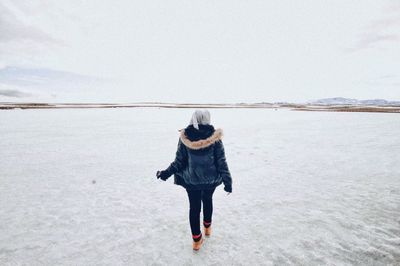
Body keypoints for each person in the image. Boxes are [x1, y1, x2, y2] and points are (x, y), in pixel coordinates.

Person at [156, 109, 233, 251]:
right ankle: (207, 228)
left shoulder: (185, 137)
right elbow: (221, 162)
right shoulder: (215, 137)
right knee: (208, 200)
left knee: (194, 207)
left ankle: (197, 241)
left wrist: (165, 173)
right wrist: (228, 182)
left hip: (191, 181)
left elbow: (179, 162)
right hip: (211, 180)